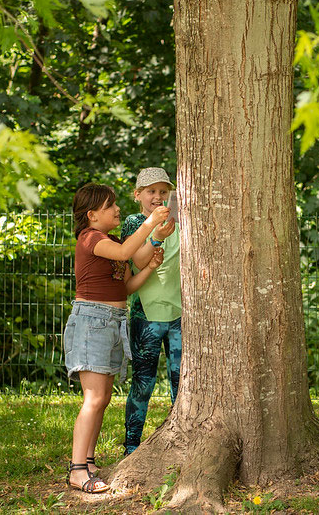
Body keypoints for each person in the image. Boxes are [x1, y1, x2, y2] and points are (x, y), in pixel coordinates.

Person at [64, 183, 169, 494]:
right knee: (94, 398)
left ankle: (89, 461)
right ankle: (77, 469)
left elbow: (126, 286)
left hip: (112, 322)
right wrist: (150, 222)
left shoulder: (108, 240)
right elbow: (126, 253)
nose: (117, 209)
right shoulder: (91, 238)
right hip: (92, 321)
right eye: (110, 206)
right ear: (92, 215)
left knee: (104, 398)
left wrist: (150, 263)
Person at [122, 167, 182, 455]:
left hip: (180, 313)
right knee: (143, 382)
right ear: (138, 195)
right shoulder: (134, 223)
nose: (158, 197)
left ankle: (181, 444)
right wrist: (155, 236)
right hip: (145, 315)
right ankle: (132, 445)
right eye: (151, 191)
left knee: (180, 381)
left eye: (163, 191)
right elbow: (137, 260)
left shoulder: (181, 221)